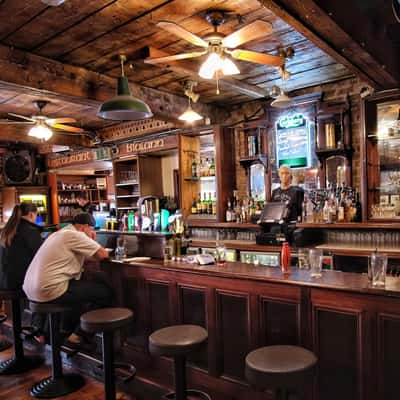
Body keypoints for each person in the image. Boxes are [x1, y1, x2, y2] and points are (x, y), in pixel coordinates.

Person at [23, 213, 111, 346]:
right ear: (85, 227)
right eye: (92, 229)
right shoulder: (76, 235)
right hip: (49, 290)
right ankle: (78, 336)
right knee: (105, 293)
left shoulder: (59, 234)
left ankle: (54, 333)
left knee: (79, 288)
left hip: (30, 290)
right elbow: (103, 255)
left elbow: (88, 256)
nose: (92, 232)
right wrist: (93, 241)